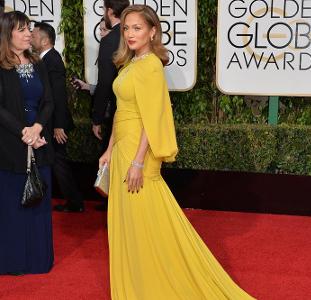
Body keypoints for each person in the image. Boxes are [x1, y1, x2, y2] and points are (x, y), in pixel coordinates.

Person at [99, 5, 255, 299]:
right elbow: (121, 112)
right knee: (132, 226)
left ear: (152, 31)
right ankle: (140, 284)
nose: (131, 34)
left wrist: (137, 161)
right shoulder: (130, 64)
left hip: (138, 156)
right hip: (122, 150)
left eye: (138, 28)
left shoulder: (151, 66)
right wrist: (109, 149)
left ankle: (160, 283)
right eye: (127, 28)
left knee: (150, 222)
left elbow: (151, 117)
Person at [0, 11, 54, 275]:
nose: (28, 34)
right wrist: (23, 131)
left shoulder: (38, 63)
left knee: (39, 200)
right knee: (12, 205)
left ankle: (37, 260)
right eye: (21, 29)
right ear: (7, 33)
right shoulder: (0, 66)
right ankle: (13, 262)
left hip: (40, 141)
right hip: (10, 145)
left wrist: (38, 127)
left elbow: (49, 102)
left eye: (28, 29)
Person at [31, 22, 84, 212]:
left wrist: (58, 125)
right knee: (56, 162)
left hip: (55, 123)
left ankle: (75, 202)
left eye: (34, 35)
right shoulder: (45, 59)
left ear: (45, 40)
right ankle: (73, 201)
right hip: (51, 121)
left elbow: (59, 94)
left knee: (58, 163)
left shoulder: (52, 60)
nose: (30, 37)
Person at [92, 0, 129, 211]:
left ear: (109, 11)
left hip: (119, 114)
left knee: (114, 161)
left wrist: (97, 118)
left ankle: (115, 208)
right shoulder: (134, 39)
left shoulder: (110, 41)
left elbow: (105, 83)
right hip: (138, 114)